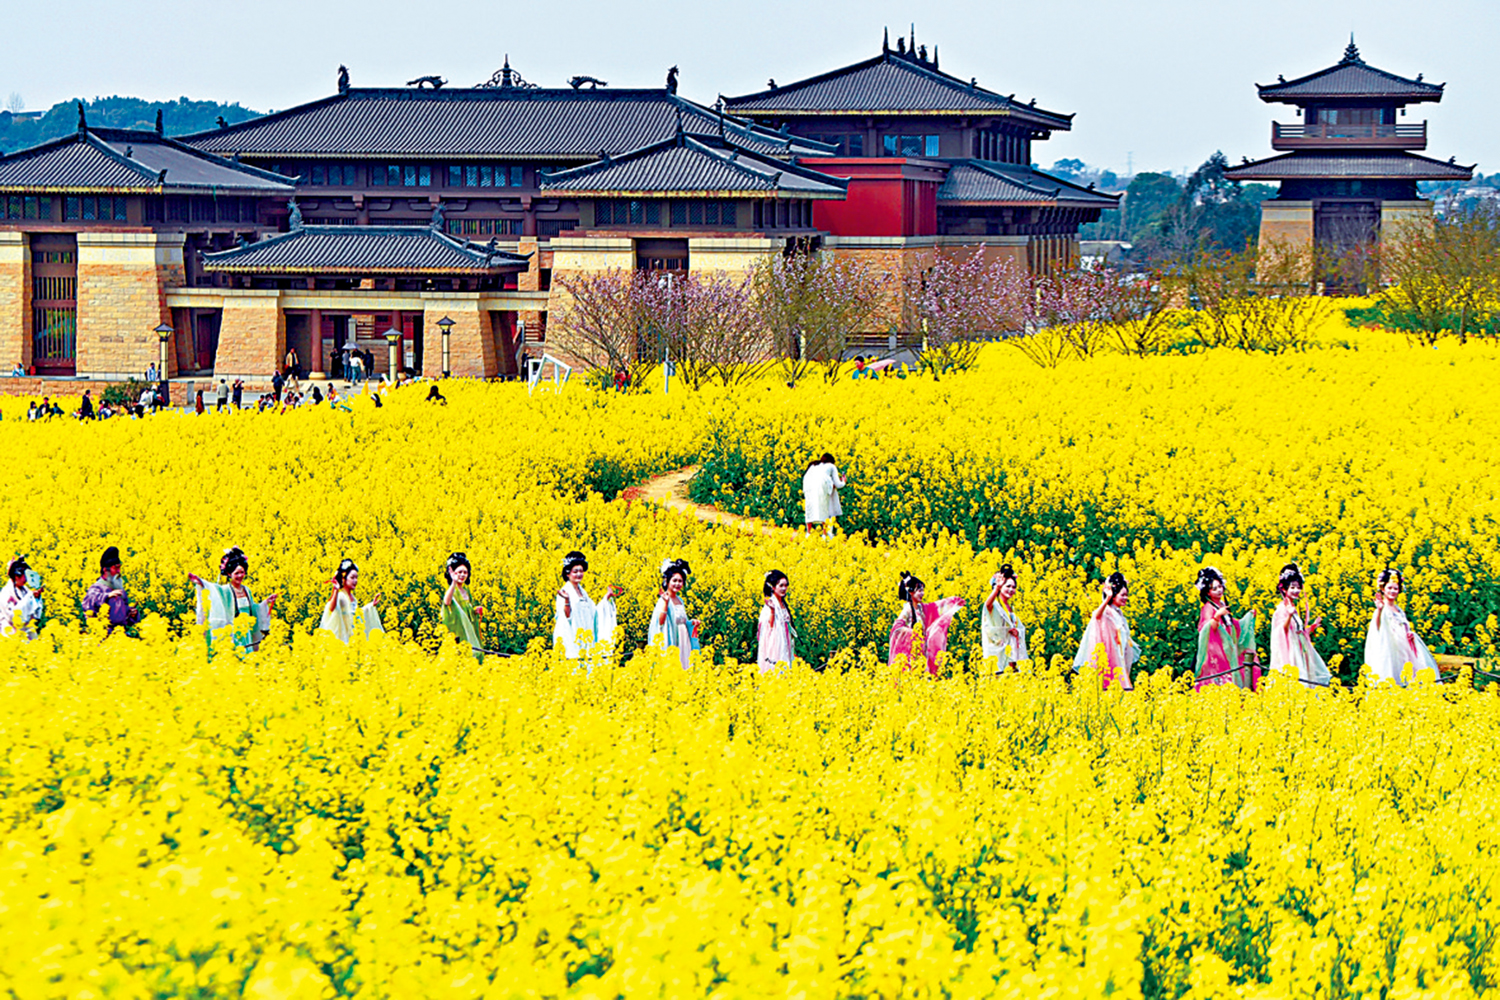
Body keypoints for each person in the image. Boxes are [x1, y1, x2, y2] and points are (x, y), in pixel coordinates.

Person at [188, 547, 279, 655]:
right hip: (233, 634)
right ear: (229, 574)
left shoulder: (247, 590)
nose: (240, 576)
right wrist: (201, 582)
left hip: (247, 633)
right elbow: (213, 591)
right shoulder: (225, 590)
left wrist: (266, 602)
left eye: (242, 572)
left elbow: (253, 610)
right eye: (236, 573)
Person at [1364, 567, 1439, 686]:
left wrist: (1410, 635)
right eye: (1389, 588)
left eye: (1395, 588)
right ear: (1383, 589)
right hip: (1390, 650)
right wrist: (1379, 610)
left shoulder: (1399, 610)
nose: (1392, 591)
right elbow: (1377, 626)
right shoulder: (1382, 609)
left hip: (1405, 648)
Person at [1192, 567, 1260, 691]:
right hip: (1217, 653)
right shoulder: (1208, 608)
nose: (1219, 591)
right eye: (1214, 589)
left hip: (1228, 649)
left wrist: (1248, 618)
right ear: (1208, 592)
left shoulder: (1222, 604)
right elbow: (1206, 629)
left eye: (1220, 587)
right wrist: (1217, 616)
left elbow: (1233, 626)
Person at [888, 572, 965, 675]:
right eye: (919, 590)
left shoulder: (921, 608)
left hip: (922, 649)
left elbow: (935, 608)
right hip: (911, 652)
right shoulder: (907, 609)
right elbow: (897, 627)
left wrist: (952, 602)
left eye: (923, 590)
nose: (922, 593)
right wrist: (912, 633)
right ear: (910, 592)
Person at [1073, 572, 1140, 690]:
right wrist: (1107, 598)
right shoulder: (1106, 612)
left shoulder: (1119, 614)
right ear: (1114, 595)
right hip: (1111, 659)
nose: (1125, 598)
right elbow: (1096, 616)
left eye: (1126, 595)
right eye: (1122, 595)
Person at [1270, 563, 1332, 688]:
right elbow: (1282, 631)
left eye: (1298, 587)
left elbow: (1297, 632)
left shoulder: (1293, 608)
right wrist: (1289, 615)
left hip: (1300, 649)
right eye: (1292, 587)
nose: (1296, 591)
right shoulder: (1282, 609)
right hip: (1292, 652)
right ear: (1284, 589)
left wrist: (1312, 627)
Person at [552, 550, 620, 661]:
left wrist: (606, 598)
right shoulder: (564, 592)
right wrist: (567, 601)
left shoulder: (583, 592)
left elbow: (594, 613)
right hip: (572, 641)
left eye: (581, 571)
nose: (579, 574)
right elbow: (566, 616)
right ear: (568, 573)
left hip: (586, 641)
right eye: (575, 571)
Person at [648, 558, 699, 670]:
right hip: (670, 638)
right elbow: (660, 622)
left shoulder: (680, 600)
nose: (677, 584)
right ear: (667, 581)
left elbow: (682, 621)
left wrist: (692, 623)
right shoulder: (663, 599)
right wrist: (666, 603)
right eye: (674, 580)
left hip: (683, 638)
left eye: (680, 581)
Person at [319, 559, 384, 643]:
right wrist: (335, 590)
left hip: (353, 638)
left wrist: (370, 606)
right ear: (344, 579)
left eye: (356, 578)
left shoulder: (352, 597)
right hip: (344, 639)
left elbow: (355, 614)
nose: (355, 581)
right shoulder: (341, 596)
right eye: (352, 578)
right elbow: (331, 608)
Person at [81, 545, 141, 633]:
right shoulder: (97, 587)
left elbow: (121, 615)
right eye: (115, 568)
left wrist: (131, 613)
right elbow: (88, 602)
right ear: (105, 570)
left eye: (119, 567)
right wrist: (107, 596)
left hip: (120, 634)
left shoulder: (119, 590)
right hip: (101, 634)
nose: (118, 571)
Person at [981, 563, 1027, 671]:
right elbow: (987, 605)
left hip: (1011, 657)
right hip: (997, 656)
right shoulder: (995, 605)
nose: (1011, 590)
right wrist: (996, 588)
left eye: (1014, 587)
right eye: (1008, 586)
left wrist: (1018, 632)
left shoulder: (1011, 608)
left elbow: (1019, 628)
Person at [440, 552, 486, 659]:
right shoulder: (452, 590)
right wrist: (453, 582)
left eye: (465, 572)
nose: (462, 575)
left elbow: (466, 610)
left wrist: (475, 611)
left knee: (476, 654)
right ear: (453, 573)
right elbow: (447, 602)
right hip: (458, 630)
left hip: (469, 630)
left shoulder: (466, 591)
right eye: (459, 572)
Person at [756, 569, 796, 673]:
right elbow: (770, 626)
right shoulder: (770, 605)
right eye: (781, 585)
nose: (784, 588)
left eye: (786, 585)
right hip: (776, 647)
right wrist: (772, 610)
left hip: (786, 643)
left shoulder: (783, 604)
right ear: (773, 587)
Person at [801, 453, 847, 536]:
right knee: (825, 509)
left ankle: (808, 533)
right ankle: (825, 534)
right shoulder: (831, 466)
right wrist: (843, 481)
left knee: (810, 509)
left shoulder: (814, 466)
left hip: (808, 486)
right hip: (821, 487)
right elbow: (838, 484)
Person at [0, 557, 43, 638]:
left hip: (26, 633)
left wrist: (36, 597)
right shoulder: (5, 593)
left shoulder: (25, 590)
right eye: (24, 575)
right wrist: (29, 598)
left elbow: (36, 615)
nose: (26, 579)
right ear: (16, 576)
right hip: (10, 634)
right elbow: (11, 617)